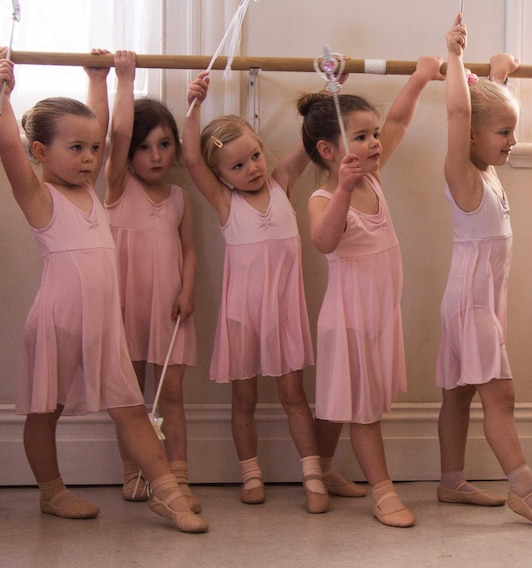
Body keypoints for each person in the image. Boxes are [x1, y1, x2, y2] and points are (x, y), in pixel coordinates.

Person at [0, 49, 206, 533]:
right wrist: (3, 95)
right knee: (43, 412)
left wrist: (101, 79)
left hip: (104, 324)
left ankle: (169, 494)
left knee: (132, 408)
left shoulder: (96, 194)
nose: (90, 158)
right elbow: (8, 150)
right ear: (40, 153)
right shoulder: (40, 198)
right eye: (76, 149)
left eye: (93, 150)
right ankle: (52, 491)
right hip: (58, 322)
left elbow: (111, 131)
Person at [435, 16, 532, 531]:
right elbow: (459, 112)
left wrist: (498, 74)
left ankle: (451, 481)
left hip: (476, 298)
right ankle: (526, 490)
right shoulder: (462, 173)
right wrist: (452, 56)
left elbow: (481, 115)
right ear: (470, 134)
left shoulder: (486, 168)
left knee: (460, 392)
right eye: (506, 132)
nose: (513, 140)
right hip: (472, 301)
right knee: (500, 396)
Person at [300, 55, 443, 528]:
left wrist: (420, 77)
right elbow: (324, 242)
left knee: (341, 399)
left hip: (380, 315)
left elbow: (400, 117)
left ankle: (319, 468)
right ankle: (383, 493)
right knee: (361, 409)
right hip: (349, 317)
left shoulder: (376, 178)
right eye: (360, 137)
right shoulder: (322, 199)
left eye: (373, 133)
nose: (375, 142)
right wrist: (342, 189)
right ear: (328, 150)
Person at [184, 71, 327, 513]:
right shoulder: (227, 204)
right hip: (242, 314)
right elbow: (190, 159)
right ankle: (250, 473)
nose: (252, 169)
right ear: (221, 175)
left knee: (293, 395)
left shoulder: (282, 182)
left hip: (284, 311)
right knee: (243, 397)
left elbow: (311, 143)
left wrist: (324, 96)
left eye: (255, 156)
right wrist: (193, 105)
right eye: (238, 166)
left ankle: (313, 473)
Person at [104, 51, 199, 511]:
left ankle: (177, 476)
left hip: (168, 309)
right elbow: (118, 134)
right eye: (144, 147)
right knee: (129, 394)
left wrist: (187, 291)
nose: (156, 155)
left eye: (164, 144)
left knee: (171, 395)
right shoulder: (117, 186)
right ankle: (135, 472)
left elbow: (189, 250)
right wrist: (125, 81)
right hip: (124, 307)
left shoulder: (180, 197)